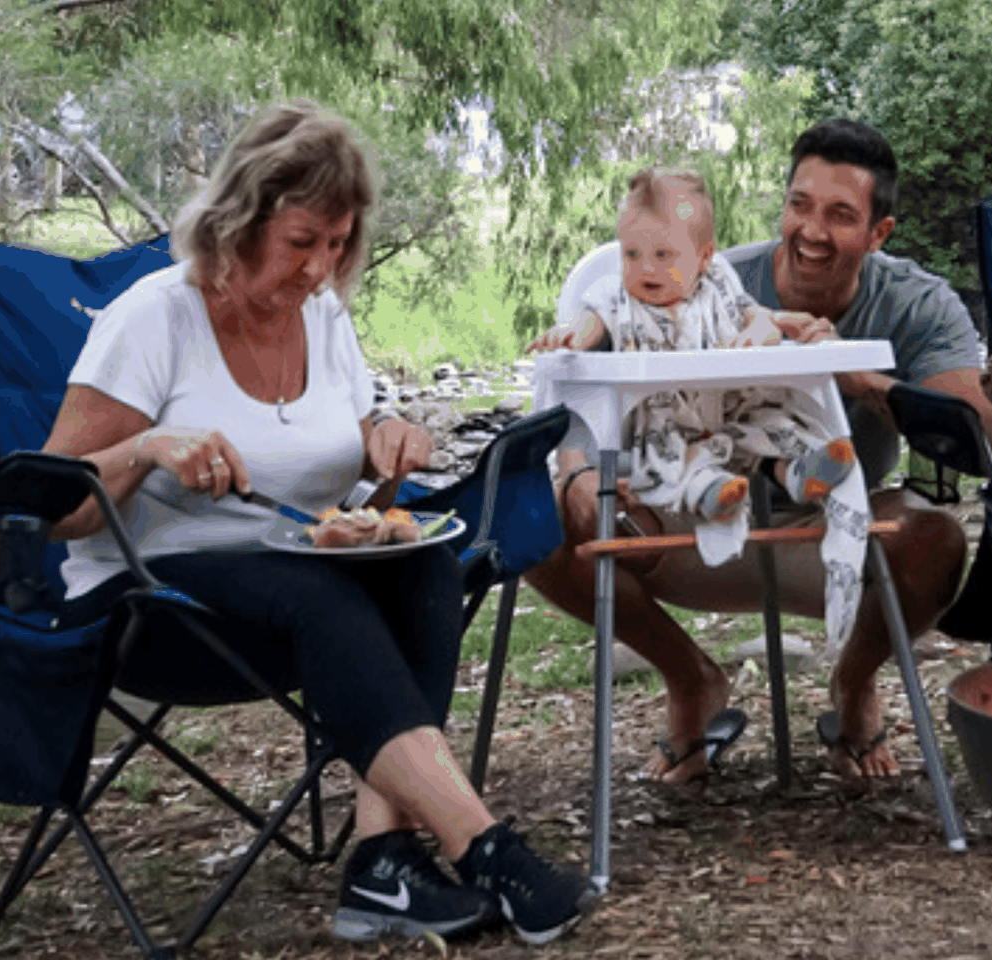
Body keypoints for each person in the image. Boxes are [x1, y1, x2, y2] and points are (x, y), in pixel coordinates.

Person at [40, 100, 597, 946]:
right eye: (303, 242)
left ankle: (384, 860)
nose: (320, 268)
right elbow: (57, 509)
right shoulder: (155, 318)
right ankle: (485, 848)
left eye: (338, 245)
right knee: (326, 598)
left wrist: (385, 445)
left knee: (421, 566)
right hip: (146, 605)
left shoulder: (325, 316)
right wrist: (150, 448)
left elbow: (348, 443)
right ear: (238, 222)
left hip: (292, 586)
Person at [523, 118, 992, 783]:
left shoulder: (916, 303)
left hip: (825, 518)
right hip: (686, 516)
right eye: (799, 205)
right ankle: (690, 679)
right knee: (537, 526)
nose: (810, 230)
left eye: (840, 215)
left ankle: (854, 683)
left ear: (878, 232)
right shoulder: (706, 274)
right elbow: (583, 382)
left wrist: (860, 383)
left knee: (937, 539)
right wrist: (578, 471)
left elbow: (984, 438)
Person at [535, 167, 859, 528]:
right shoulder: (616, 295)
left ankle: (797, 469)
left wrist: (774, 325)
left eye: (662, 255)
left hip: (730, 409)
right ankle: (711, 490)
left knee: (772, 419)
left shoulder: (718, 287)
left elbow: (756, 317)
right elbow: (590, 324)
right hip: (659, 417)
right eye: (632, 254)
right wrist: (569, 336)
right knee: (671, 450)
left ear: (704, 259)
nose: (646, 269)